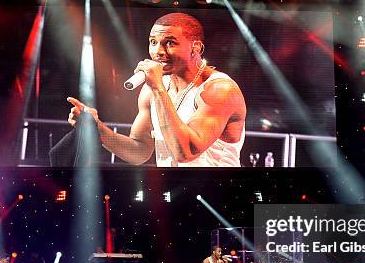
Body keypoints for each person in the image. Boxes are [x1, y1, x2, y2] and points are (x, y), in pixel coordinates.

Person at [66, 12, 246, 167]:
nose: (158, 51)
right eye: (153, 42)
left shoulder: (219, 90)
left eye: (169, 43)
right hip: (173, 191)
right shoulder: (152, 89)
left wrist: (158, 88)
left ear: (195, 47)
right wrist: (98, 129)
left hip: (217, 190)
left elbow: (186, 153)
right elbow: (139, 152)